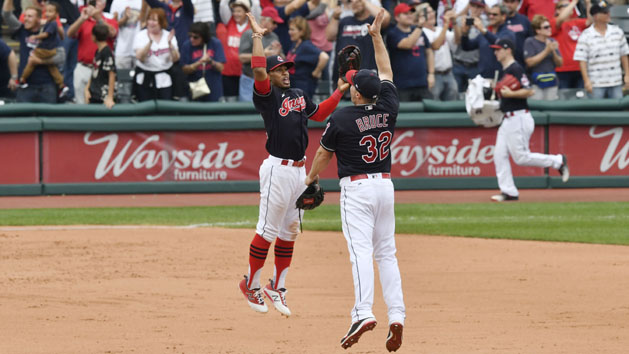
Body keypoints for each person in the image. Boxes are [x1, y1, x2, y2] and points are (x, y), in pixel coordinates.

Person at [305, 9, 405, 352]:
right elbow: (387, 71)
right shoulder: (389, 105)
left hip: (358, 189)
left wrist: (310, 179)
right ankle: (397, 315)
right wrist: (377, 37)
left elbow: (322, 154)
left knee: (360, 252)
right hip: (385, 186)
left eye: (351, 86)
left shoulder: (343, 116)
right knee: (387, 254)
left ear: (357, 93)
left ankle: (363, 311)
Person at [237, 11, 349, 318]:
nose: (286, 72)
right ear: (272, 75)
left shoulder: (298, 94)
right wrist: (258, 36)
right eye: (281, 69)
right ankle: (251, 283)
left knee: (290, 231)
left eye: (287, 68)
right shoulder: (267, 97)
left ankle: (278, 285)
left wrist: (340, 90)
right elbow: (258, 69)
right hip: (277, 168)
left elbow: (320, 113)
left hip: (299, 171)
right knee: (268, 229)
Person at [489, 38, 569, 202]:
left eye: (498, 49)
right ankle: (509, 191)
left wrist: (511, 94)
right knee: (499, 155)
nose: (496, 52)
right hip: (508, 119)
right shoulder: (505, 69)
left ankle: (557, 161)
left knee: (521, 158)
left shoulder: (516, 68)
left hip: (519, 117)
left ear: (507, 50)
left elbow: (529, 90)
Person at [3, 1, 59, 103]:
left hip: (46, 86)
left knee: (49, 118)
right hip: (25, 86)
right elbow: (6, 14)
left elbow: (61, 57)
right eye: (25, 16)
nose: (26, 19)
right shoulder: (22, 30)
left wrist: (40, 61)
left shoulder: (49, 31)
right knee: (23, 118)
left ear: (38, 19)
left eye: (30, 16)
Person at [326, 0, 390, 87]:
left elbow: (385, 18)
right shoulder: (345, 20)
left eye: (358, 1)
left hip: (369, 75)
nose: (354, 2)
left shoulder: (373, 22)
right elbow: (329, 36)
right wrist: (335, 18)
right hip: (344, 77)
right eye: (352, 1)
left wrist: (364, 2)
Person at [574, 0, 629, 99]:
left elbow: (624, 55)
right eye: (604, 12)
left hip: (615, 81)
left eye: (608, 11)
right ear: (595, 16)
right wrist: (586, 81)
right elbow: (582, 61)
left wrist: (627, 75)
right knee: (596, 112)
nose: (608, 14)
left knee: (617, 111)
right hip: (596, 83)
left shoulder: (617, 31)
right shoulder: (586, 35)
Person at [67, 0, 118, 104]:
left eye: (99, 1)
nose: (96, 4)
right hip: (83, 67)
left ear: (104, 5)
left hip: (102, 70)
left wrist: (98, 18)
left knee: (99, 103)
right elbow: (69, 34)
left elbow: (112, 33)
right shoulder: (85, 20)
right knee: (80, 103)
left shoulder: (110, 20)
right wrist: (82, 18)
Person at [18, 1, 68, 98]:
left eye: (51, 11)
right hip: (30, 88)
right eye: (47, 11)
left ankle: (22, 79)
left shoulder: (52, 24)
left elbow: (61, 57)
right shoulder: (49, 24)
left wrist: (36, 37)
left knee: (32, 59)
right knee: (52, 68)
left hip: (47, 84)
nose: (48, 14)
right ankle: (61, 85)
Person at [387, 2, 434, 101]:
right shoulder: (393, 33)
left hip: (422, 83)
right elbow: (407, 44)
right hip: (403, 86)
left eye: (411, 13)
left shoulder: (417, 29)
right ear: (397, 17)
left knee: (429, 113)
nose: (409, 16)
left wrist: (431, 74)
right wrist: (420, 27)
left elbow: (429, 51)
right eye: (406, 14)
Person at [132, 8, 180, 101]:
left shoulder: (168, 36)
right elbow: (140, 58)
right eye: (149, 19)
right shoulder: (141, 36)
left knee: (165, 109)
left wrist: (170, 45)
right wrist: (149, 43)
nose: (151, 23)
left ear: (161, 22)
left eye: (154, 20)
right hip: (144, 79)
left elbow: (175, 59)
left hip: (164, 79)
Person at [238, 6, 283, 102]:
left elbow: (283, 58)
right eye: (274, 22)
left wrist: (278, 54)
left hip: (268, 81)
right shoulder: (248, 34)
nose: (276, 26)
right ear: (264, 20)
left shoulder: (274, 36)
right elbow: (242, 57)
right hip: (250, 79)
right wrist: (264, 55)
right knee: (248, 111)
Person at [461, 3, 516, 79]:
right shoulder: (485, 32)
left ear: (503, 17)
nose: (491, 16)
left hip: (500, 78)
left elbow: (500, 43)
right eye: (489, 14)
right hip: (483, 78)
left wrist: (483, 30)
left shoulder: (508, 33)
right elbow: (467, 47)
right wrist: (465, 33)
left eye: (495, 14)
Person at [181, 21, 226, 102]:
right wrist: (198, 63)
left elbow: (221, 68)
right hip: (195, 86)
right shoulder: (187, 45)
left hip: (213, 86)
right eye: (190, 36)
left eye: (195, 37)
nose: (192, 39)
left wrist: (210, 61)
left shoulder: (215, 43)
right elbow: (185, 70)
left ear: (204, 37)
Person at [551, 0, 592, 89]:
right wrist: (574, 2)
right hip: (563, 70)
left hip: (580, 68)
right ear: (557, 10)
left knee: (581, 98)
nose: (570, 7)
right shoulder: (553, 22)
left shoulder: (576, 22)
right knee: (564, 99)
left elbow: (590, 21)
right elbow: (561, 19)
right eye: (565, 5)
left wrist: (588, 3)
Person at [286, 16, 329, 98]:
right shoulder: (295, 45)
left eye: (292, 29)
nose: (289, 32)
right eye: (289, 29)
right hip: (293, 89)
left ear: (301, 31)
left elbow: (324, 57)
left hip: (303, 90)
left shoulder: (306, 46)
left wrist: (316, 71)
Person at [216, 0, 252, 98]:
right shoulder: (229, 22)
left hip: (245, 74)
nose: (236, 14)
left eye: (239, 11)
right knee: (230, 101)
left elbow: (256, 5)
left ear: (246, 13)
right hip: (228, 72)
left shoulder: (251, 26)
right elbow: (223, 4)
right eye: (234, 11)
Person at [422, 6, 459, 101]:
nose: (431, 15)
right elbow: (435, 45)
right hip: (434, 75)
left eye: (432, 12)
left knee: (453, 104)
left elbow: (457, 40)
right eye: (427, 13)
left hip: (448, 73)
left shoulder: (440, 29)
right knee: (434, 103)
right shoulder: (421, 32)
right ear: (421, 17)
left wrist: (454, 22)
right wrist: (446, 24)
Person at [524, 15, 562, 100]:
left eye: (549, 26)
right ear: (538, 30)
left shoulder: (552, 41)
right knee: (537, 108)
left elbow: (560, 63)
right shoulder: (530, 42)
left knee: (552, 109)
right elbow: (529, 62)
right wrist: (547, 50)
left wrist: (553, 51)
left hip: (552, 82)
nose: (549, 29)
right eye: (546, 27)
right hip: (536, 83)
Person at [85, 23, 116, 108]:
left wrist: (110, 97)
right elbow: (94, 72)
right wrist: (87, 89)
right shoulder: (97, 51)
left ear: (94, 36)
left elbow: (112, 74)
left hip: (102, 95)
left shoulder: (107, 52)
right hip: (94, 93)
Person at [110, 0, 143, 70]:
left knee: (139, 80)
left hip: (139, 49)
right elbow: (112, 27)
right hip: (122, 50)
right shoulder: (116, 2)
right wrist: (125, 18)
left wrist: (143, 20)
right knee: (122, 79)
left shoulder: (143, 2)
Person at [502, 0, 533, 69]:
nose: (509, 5)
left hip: (523, 63)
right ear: (502, 3)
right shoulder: (499, 20)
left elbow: (532, 39)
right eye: (507, 2)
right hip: (503, 65)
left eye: (512, 2)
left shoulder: (524, 20)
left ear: (518, 3)